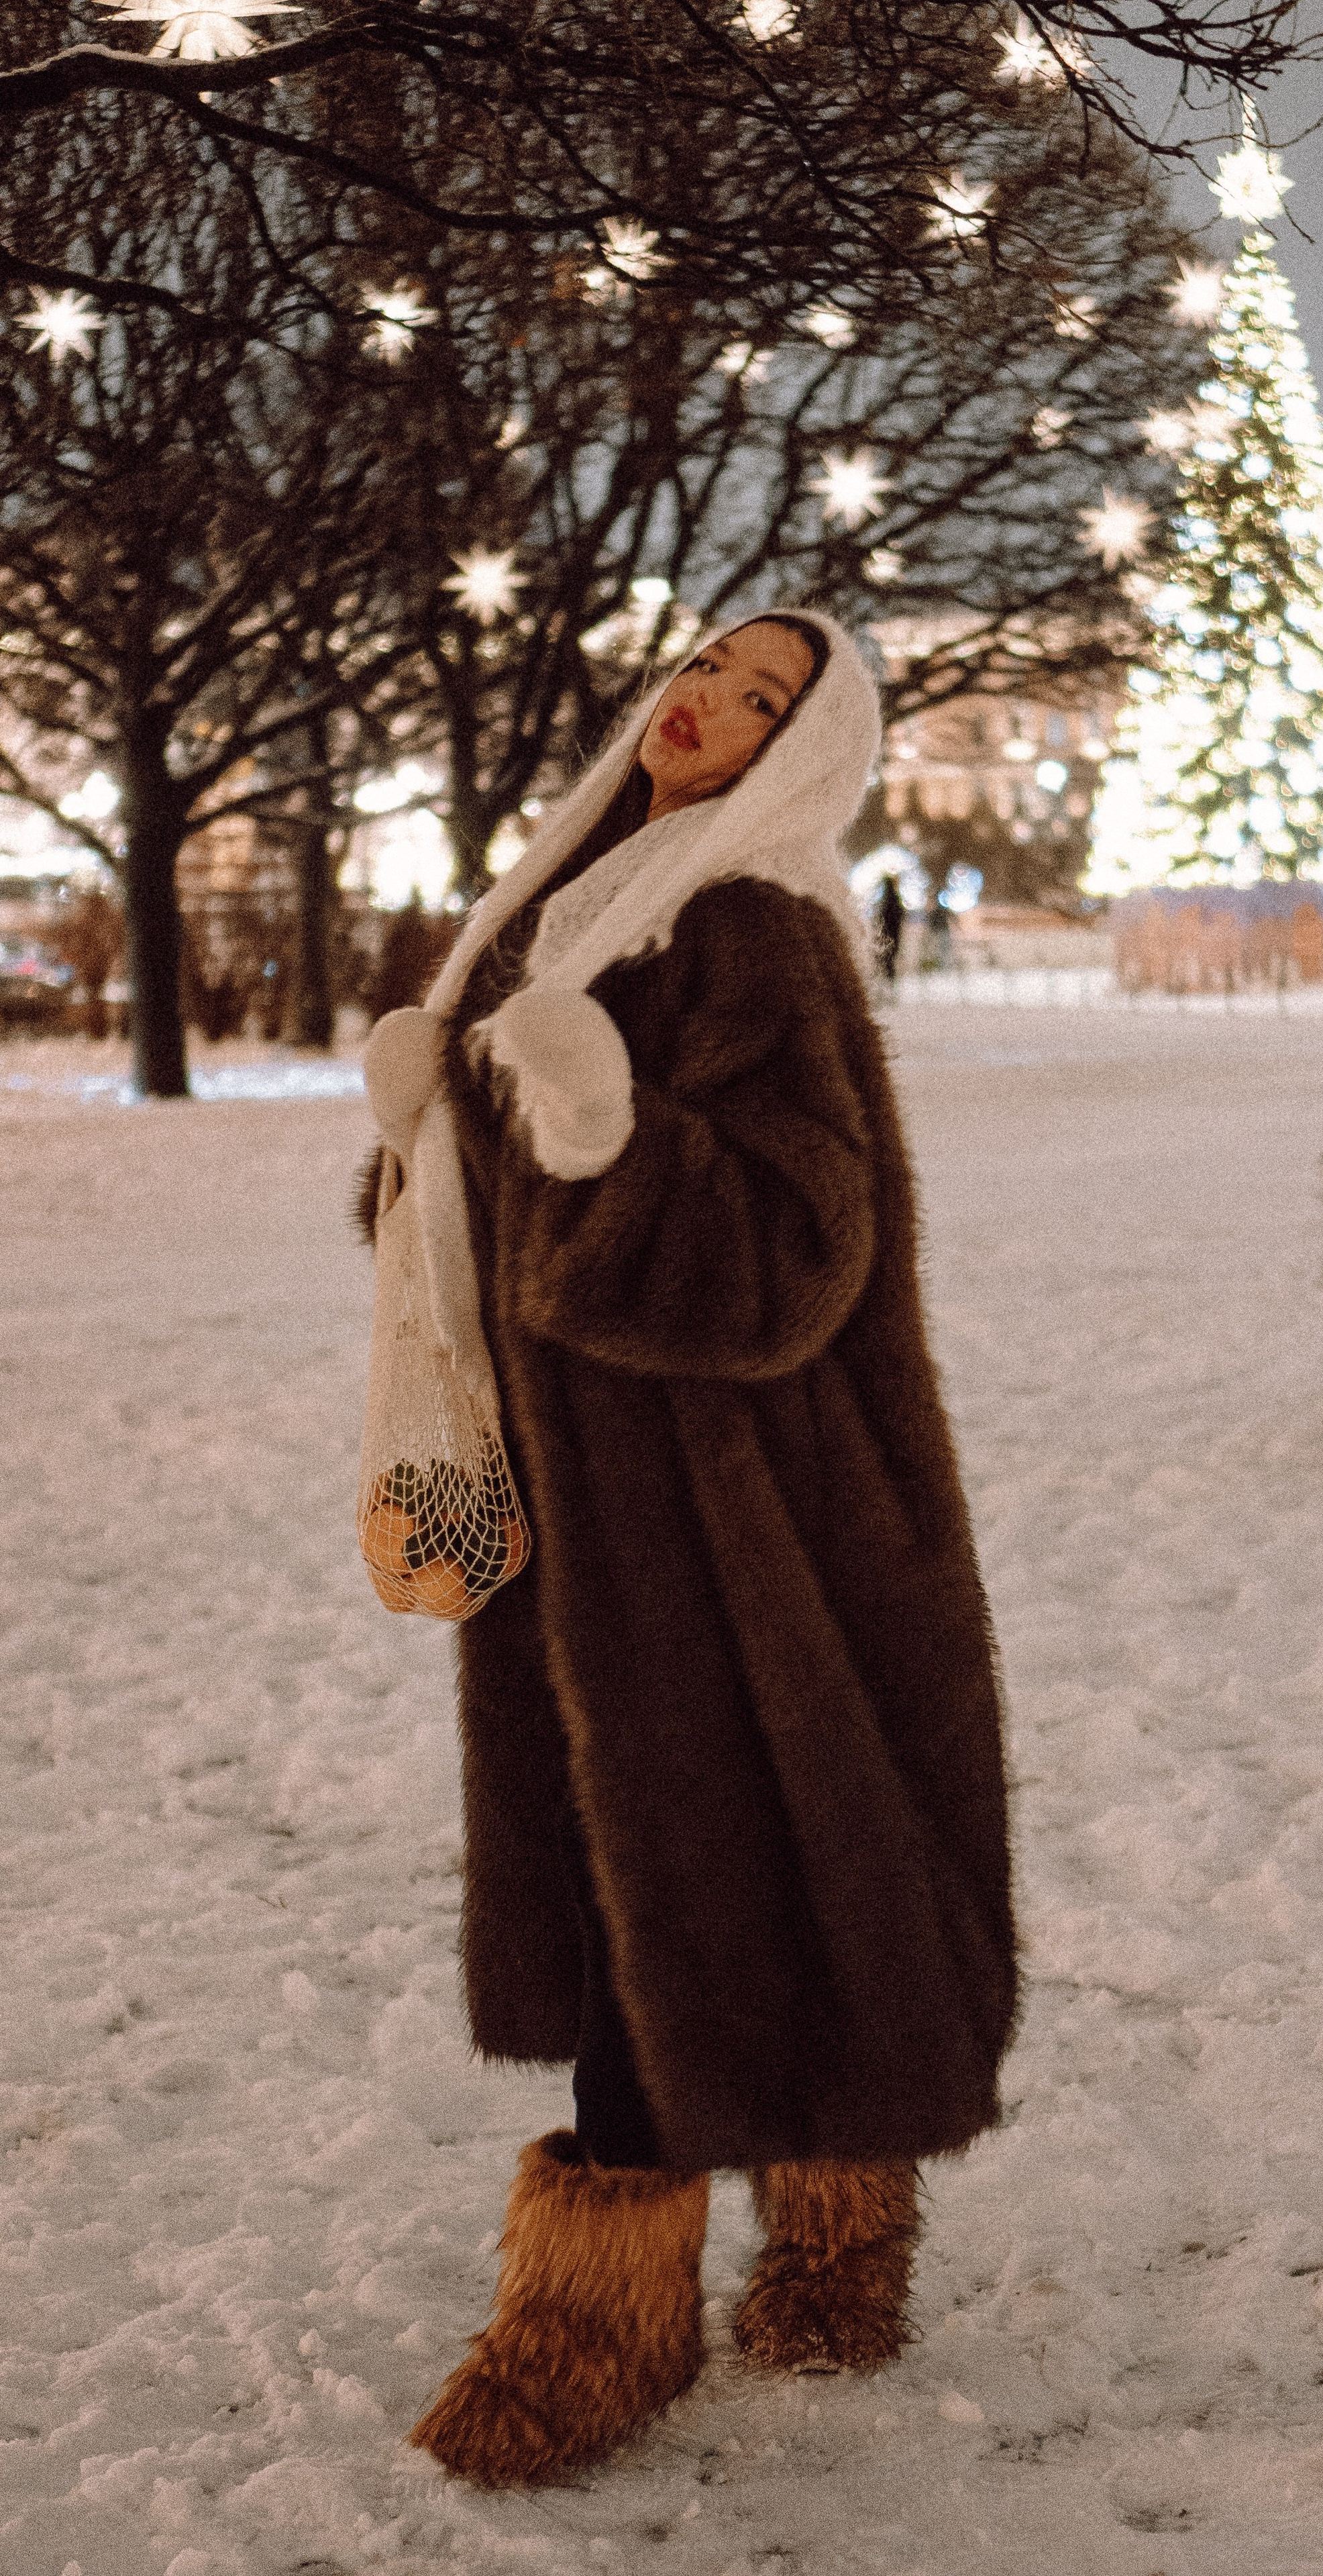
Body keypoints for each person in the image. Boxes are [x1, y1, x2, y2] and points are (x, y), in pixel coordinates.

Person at [358, 613, 1016, 2489]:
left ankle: (592, 2327)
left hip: (734, 1509)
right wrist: (422, 1145)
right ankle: (837, 2234)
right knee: (735, 1864)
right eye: (707, 668)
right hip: (580, 1490)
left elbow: (800, 1251)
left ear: (802, 755)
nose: (705, 703)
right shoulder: (568, 904)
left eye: (760, 700)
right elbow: (487, 1241)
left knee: (669, 1880)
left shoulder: (749, 926)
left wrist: (603, 1136)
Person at [874, 870, 905, 986]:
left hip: (886, 935)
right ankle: (889, 981)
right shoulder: (895, 899)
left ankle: (886, 981)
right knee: (889, 960)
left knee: (886, 959)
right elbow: (898, 917)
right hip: (892, 935)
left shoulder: (885, 901)